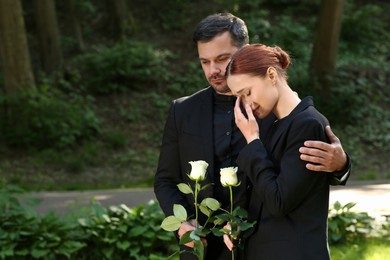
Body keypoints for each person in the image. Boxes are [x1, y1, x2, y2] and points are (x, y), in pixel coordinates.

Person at [154, 13, 350, 260]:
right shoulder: (182, 111)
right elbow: (164, 180)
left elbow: (297, 166)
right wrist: (185, 222)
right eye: (205, 62)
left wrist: (341, 165)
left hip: (263, 247)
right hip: (201, 251)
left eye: (222, 59)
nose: (214, 70)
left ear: (244, 52)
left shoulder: (273, 107)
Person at [225, 43, 332, 259]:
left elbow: (279, 201)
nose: (247, 104)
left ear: (271, 75)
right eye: (239, 98)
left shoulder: (307, 125)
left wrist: (253, 141)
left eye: (247, 92)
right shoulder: (270, 123)